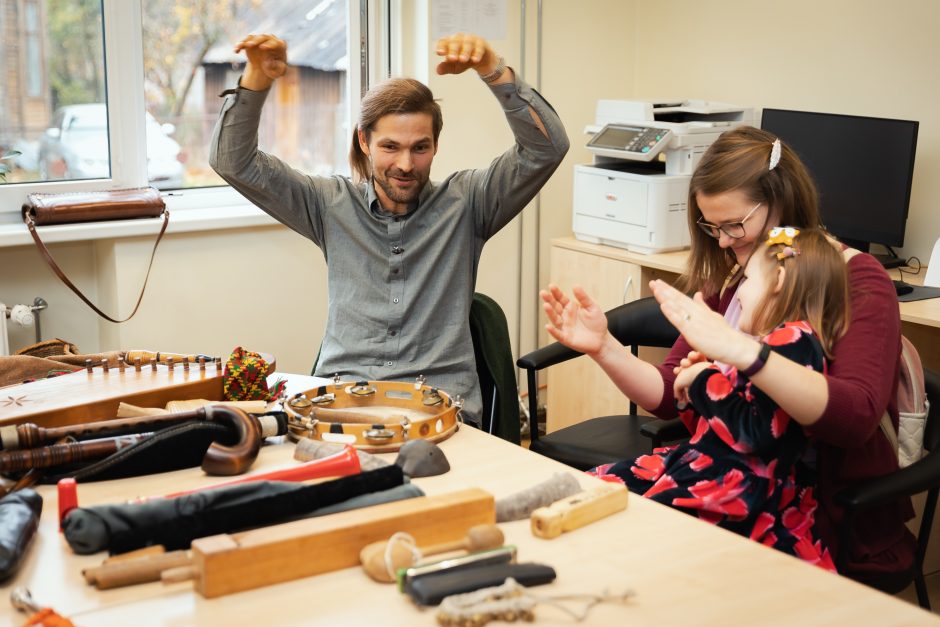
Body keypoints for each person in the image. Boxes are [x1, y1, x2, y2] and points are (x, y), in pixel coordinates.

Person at [541, 127, 914, 583]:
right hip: (733, 486)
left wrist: (739, 351)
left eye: (734, 224)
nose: (722, 242)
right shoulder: (747, 271)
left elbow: (853, 417)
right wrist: (604, 347)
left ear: (781, 202)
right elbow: (666, 394)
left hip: (812, 515)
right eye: (711, 227)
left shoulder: (855, 279)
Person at [210, 33, 569, 427]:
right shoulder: (329, 204)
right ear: (364, 141)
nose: (405, 163)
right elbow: (233, 162)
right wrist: (256, 81)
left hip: (441, 409)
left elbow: (546, 149)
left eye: (420, 147)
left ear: (436, 145)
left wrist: (494, 71)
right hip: (341, 404)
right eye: (390, 147)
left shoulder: (468, 203)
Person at [589, 227, 847, 568]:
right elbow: (723, 426)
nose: (739, 294)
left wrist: (704, 380)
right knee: (598, 487)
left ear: (780, 280)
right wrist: (694, 394)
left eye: (748, 279)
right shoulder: (770, 344)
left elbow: (755, 432)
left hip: (737, 491)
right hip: (709, 469)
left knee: (619, 519)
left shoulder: (794, 342)